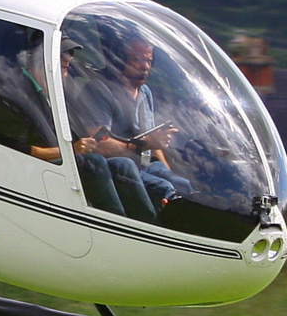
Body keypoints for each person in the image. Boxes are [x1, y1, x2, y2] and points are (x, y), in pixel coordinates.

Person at [35, 41, 158, 222]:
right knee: (102, 162)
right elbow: (20, 148)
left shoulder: (60, 95)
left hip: (141, 164)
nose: (68, 59)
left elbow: (154, 143)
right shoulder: (24, 93)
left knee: (163, 174)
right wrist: (73, 150)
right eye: (61, 57)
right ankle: (124, 227)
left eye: (69, 58)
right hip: (44, 168)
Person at [86, 38, 194, 209]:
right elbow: (98, 144)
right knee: (164, 189)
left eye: (149, 61)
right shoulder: (100, 90)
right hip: (116, 167)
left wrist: (168, 171)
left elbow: (151, 140)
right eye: (138, 60)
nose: (145, 67)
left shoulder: (145, 92)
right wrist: (143, 144)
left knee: (182, 185)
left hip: (143, 164)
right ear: (118, 59)